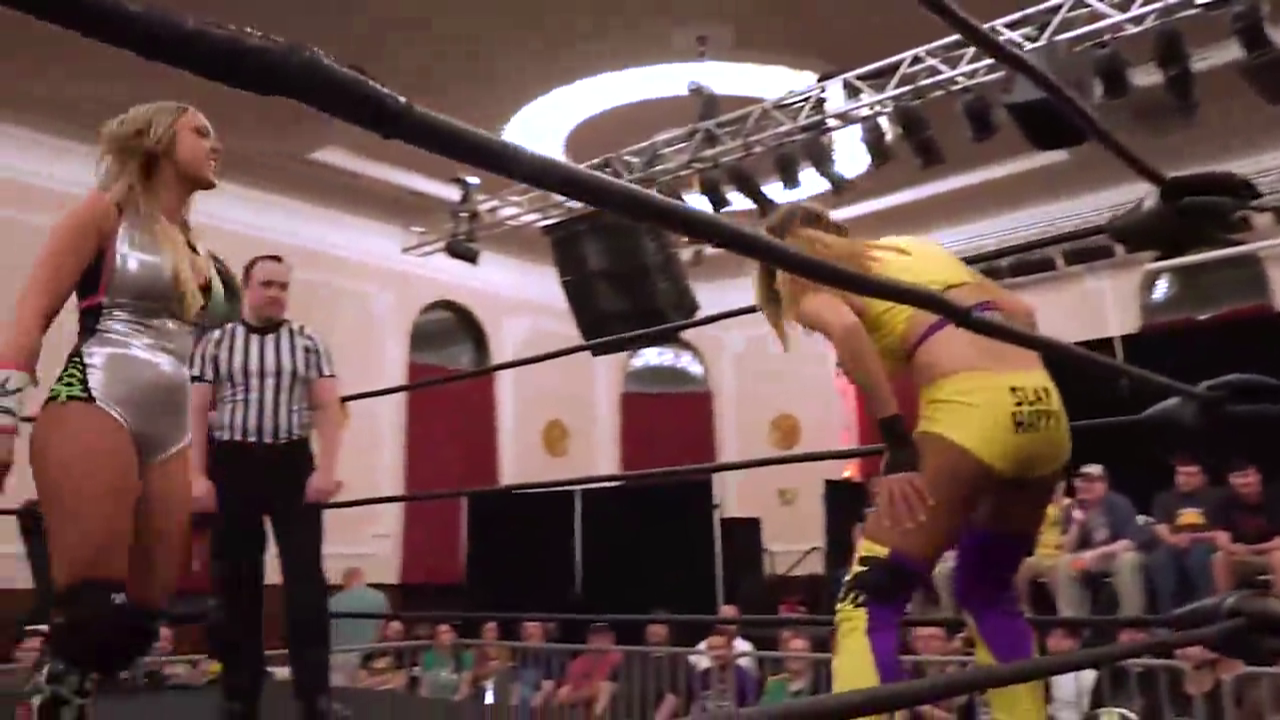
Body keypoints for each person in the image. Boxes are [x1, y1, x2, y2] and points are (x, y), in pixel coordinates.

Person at [756, 203, 1071, 720]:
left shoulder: (802, 272)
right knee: (989, 589)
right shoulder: (910, 249)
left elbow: (847, 331)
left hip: (972, 408)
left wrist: (897, 441)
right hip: (1044, 408)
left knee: (868, 596)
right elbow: (1023, 312)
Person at [0, 101, 234, 718]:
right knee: (92, 609)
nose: (216, 145)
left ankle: (49, 700)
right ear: (157, 138)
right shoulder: (105, 213)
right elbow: (29, 315)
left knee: (134, 624)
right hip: (93, 398)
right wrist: (3, 418)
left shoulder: (198, 251)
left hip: (168, 425)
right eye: (201, 131)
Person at [189, 254, 347, 719]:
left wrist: (327, 469)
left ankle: (314, 694)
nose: (276, 293)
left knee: (306, 581)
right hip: (233, 461)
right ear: (247, 287)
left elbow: (329, 407)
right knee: (236, 581)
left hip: (291, 461)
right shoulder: (216, 344)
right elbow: (196, 410)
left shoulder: (309, 342)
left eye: (283, 286)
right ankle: (241, 692)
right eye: (267, 284)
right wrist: (196, 475)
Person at [328, 567, 390, 687]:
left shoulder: (332, 602)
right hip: (367, 661)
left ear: (345, 582)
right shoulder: (380, 597)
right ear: (362, 579)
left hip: (336, 660)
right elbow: (383, 629)